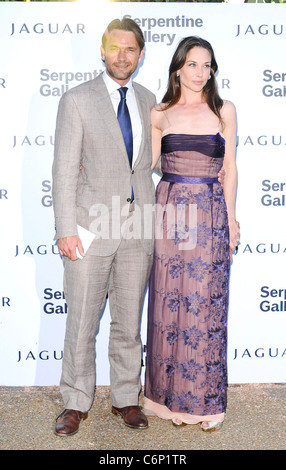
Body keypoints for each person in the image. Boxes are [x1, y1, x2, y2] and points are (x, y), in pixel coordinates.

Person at [52, 18, 157, 436]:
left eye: (131, 49)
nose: (123, 56)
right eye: (116, 47)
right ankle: (76, 401)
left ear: (140, 55)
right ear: (103, 50)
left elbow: (157, 164)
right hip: (89, 230)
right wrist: (65, 228)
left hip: (138, 229)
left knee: (128, 323)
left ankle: (126, 398)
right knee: (81, 321)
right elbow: (62, 169)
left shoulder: (151, 101)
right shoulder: (78, 99)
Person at [144, 36, 239, 432]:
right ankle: (167, 400)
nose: (201, 73)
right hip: (169, 216)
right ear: (178, 67)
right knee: (170, 304)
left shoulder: (224, 110)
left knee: (205, 307)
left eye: (207, 65)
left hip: (211, 215)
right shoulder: (159, 113)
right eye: (194, 64)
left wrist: (231, 220)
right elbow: (146, 164)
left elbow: (230, 168)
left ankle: (204, 402)